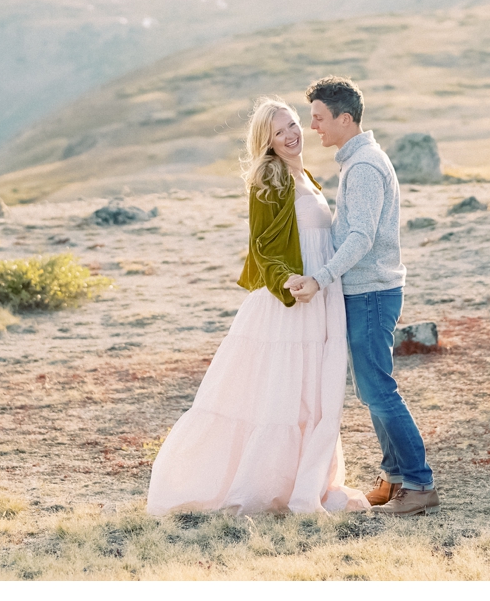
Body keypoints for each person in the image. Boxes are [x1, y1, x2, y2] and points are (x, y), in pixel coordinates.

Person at [145, 97, 368, 516]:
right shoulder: (271, 177)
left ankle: (303, 481)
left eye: (295, 124)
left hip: (318, 298)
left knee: (308, 396)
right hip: (292, 302)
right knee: (279, 395)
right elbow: (264, 246)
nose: (292, 134)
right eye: (279, 130)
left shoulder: (305, 177)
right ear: (266, 140)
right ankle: (262, 484)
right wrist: (288, 280)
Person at [286, 75, 439, 516]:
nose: (312, 126)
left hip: (371, 292)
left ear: (344, 118)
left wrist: (322, 278)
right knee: (371, 391)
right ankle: (394, 478)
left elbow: (362, 237)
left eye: (318, 118)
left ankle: (419, 483)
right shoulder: (356, 162)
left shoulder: (366, 166)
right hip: (367, 292)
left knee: (379, 391)